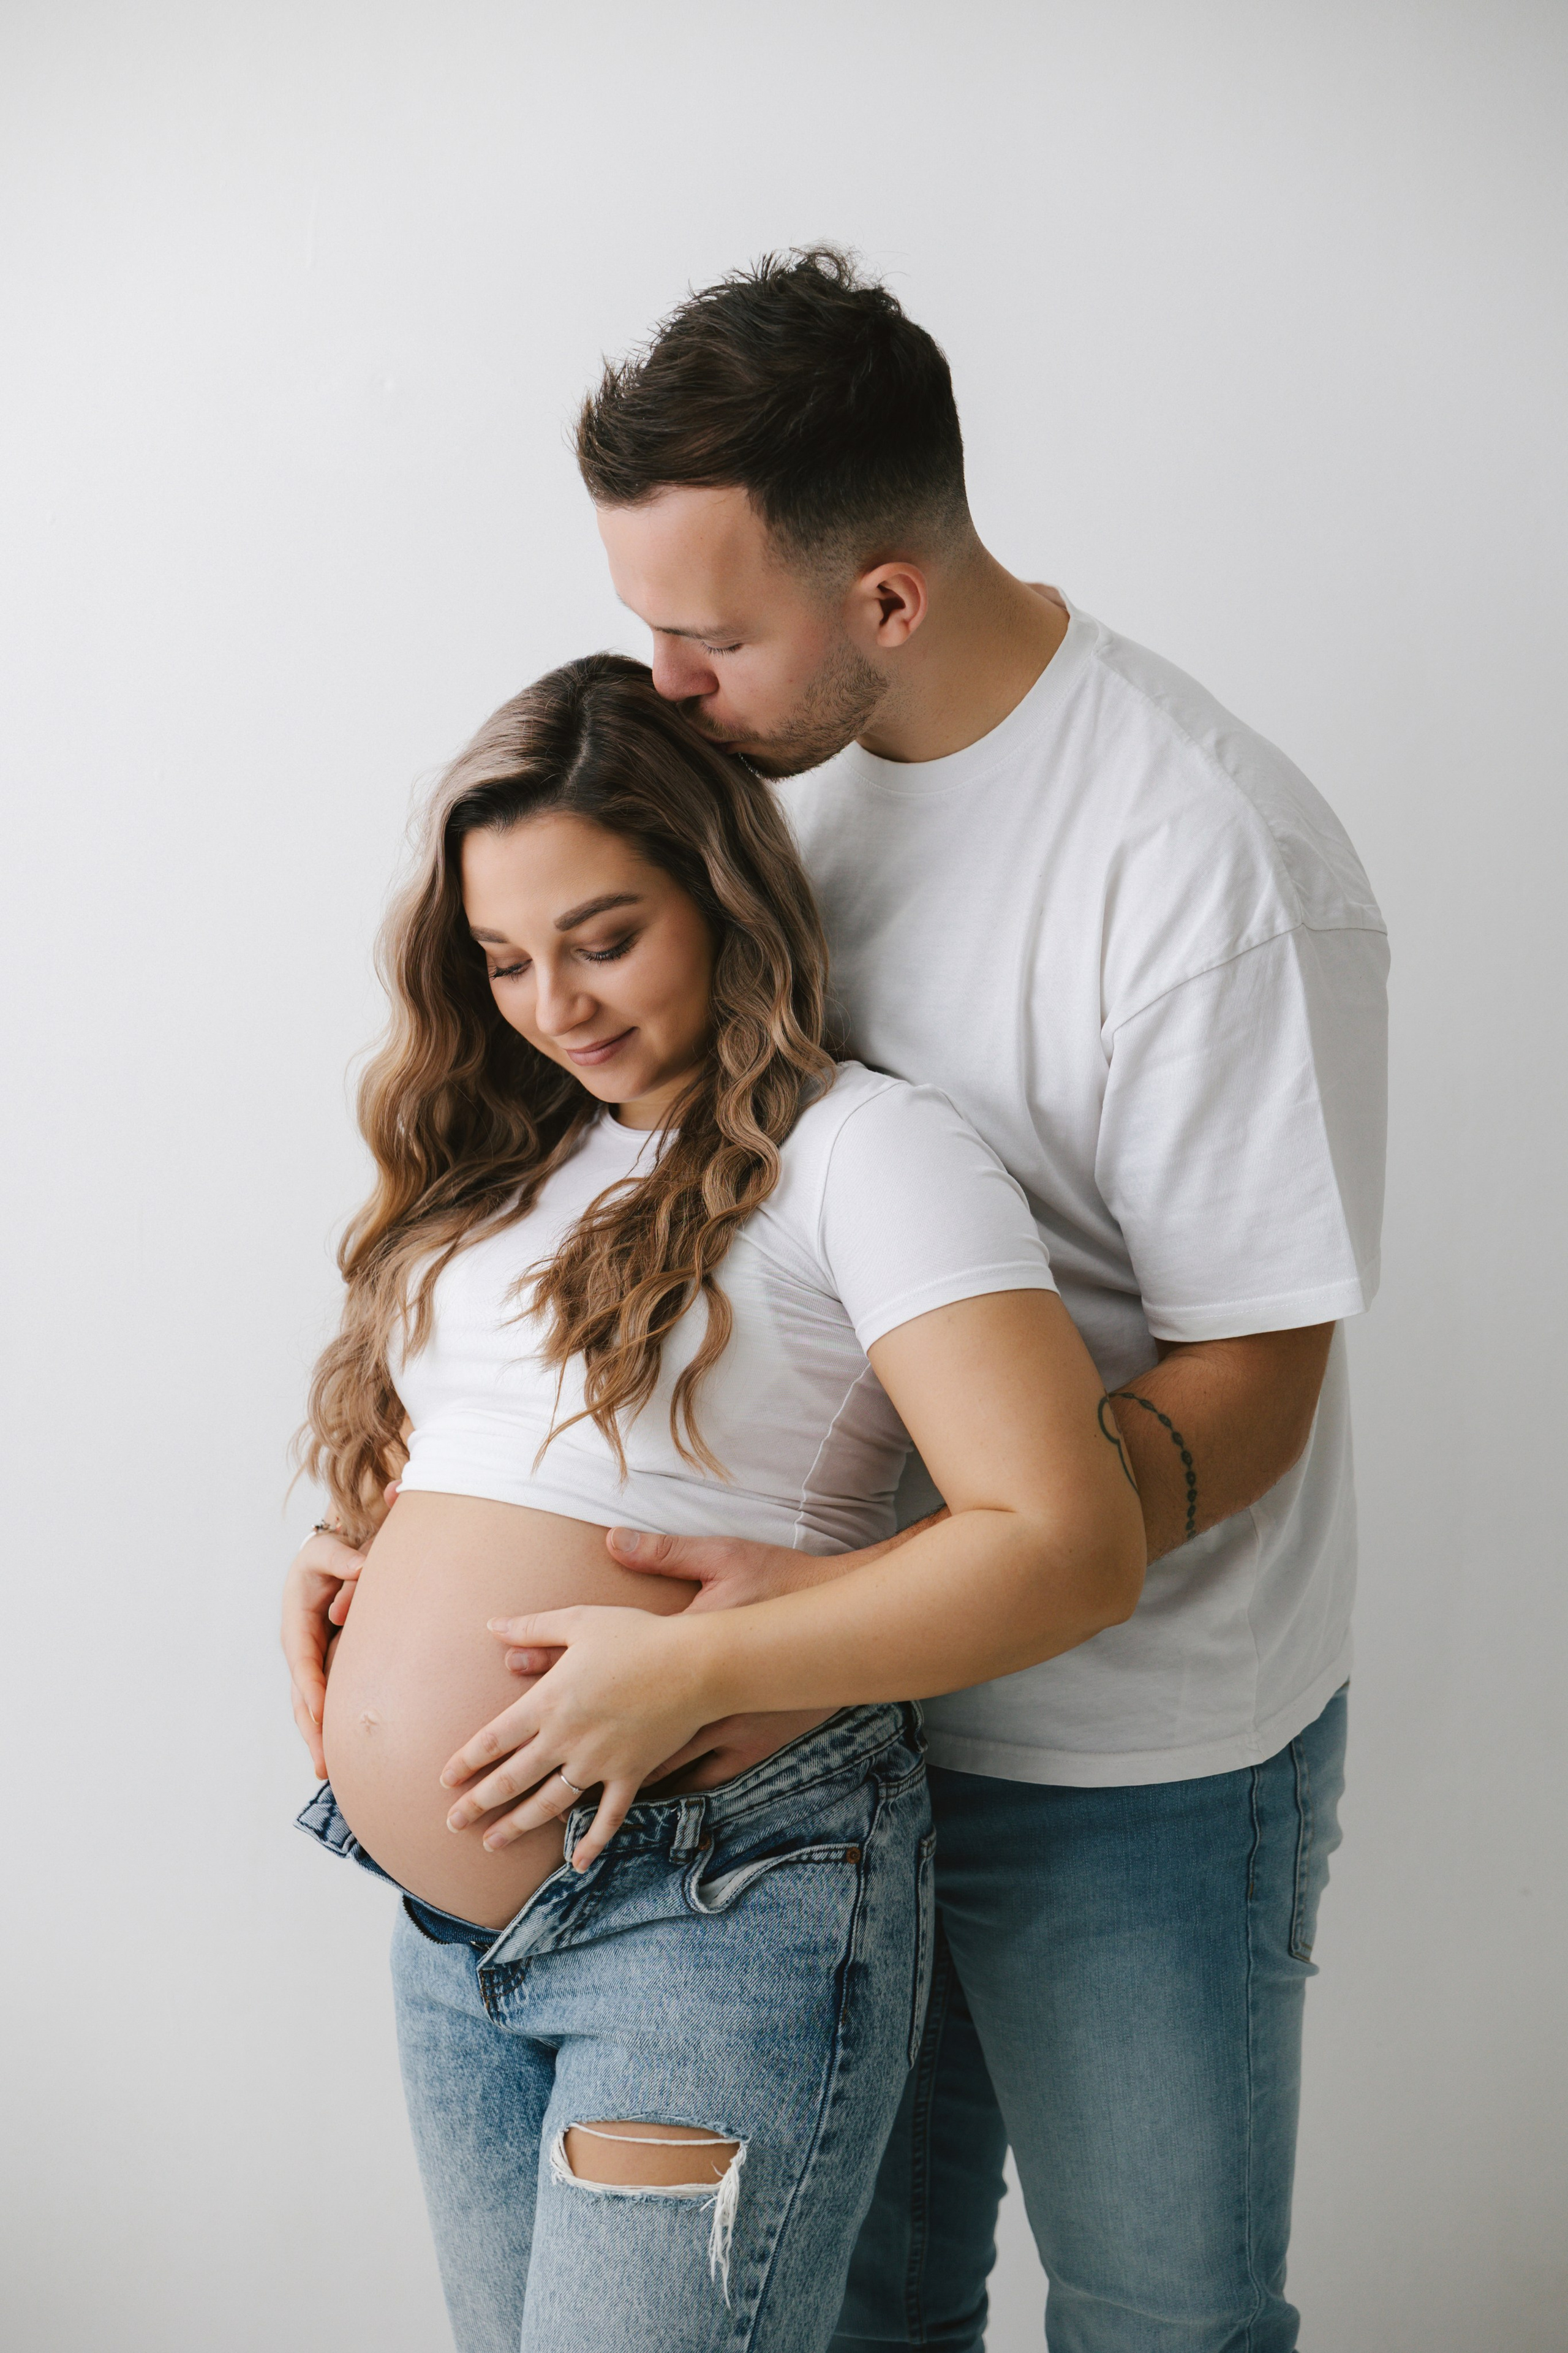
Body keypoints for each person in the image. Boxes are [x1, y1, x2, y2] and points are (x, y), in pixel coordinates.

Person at [486, 249, 1388, 2352]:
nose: (666, 681)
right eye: (647, 622)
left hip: (1136, 1754)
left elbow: (1258, 1385)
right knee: (867, 2304)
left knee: (1160, 2315)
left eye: (710, 634)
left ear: (885, 598)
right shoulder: (771, 799)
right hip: (819, 1760)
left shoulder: (1200, 856)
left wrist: (974, 1576)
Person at [281, 652, 1145, 2353]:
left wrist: (681, 1670)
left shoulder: (868, 1153)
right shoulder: (509, 1164)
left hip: (706, 1903)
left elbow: (1071, 1540)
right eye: (508, 958)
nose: (556, 1002)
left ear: (725, 886)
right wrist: (363, 1562)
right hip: (453, 1935)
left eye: (605, 937)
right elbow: (497, 1451)